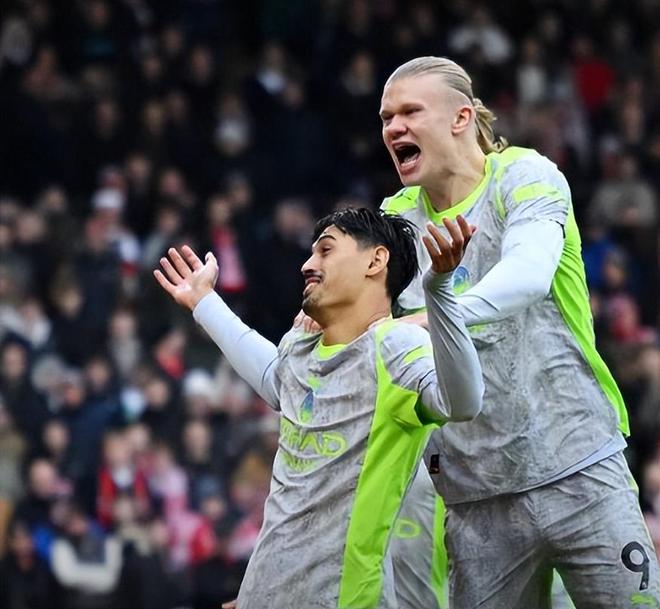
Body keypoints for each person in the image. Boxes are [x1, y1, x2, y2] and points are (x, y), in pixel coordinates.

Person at [378, 55, 659, 609]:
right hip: (476, 499)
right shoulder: (395, 222)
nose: (393, 128)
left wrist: (437, 312)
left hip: (578, 465)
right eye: (387, 118)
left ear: (461, 118)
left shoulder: (525, 175)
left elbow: (528, 275)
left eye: (410, 112)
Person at [154, 207, 484, 609]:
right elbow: (274, 377)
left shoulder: (395, 349)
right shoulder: (301, 346)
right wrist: (205, 302)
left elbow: (464, 402)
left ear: (375, 261)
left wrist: (439, 291)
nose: (307, 264)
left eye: (325, 250)